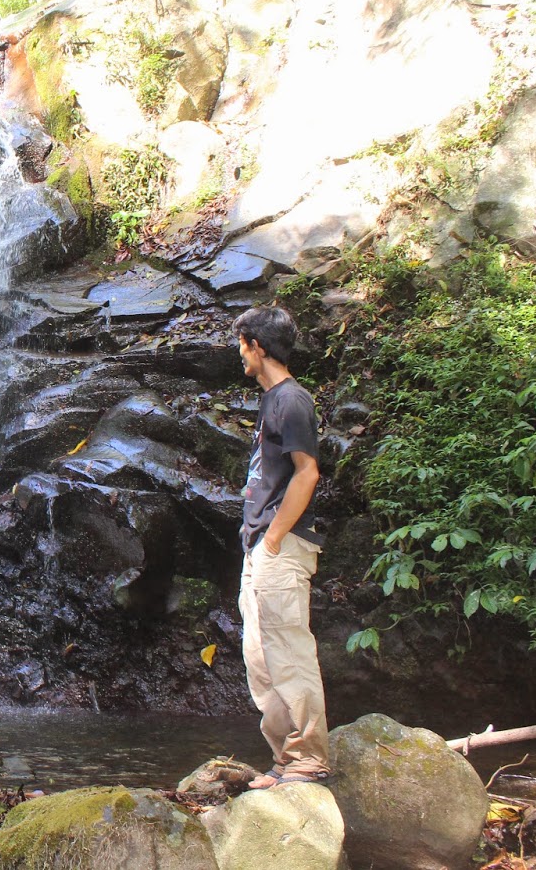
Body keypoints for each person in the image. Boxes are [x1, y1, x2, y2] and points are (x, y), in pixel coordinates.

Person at [232, 305, 330, 788]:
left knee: (288, 653)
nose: (239, 354)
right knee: (260, 660)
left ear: (258, 345)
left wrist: (271, 540)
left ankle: (309, 757)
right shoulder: (271, 401)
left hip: (281, 545)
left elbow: (306, 472)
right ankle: (285, 760)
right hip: (260, 547)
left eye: (242, 344)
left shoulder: (292, 400)